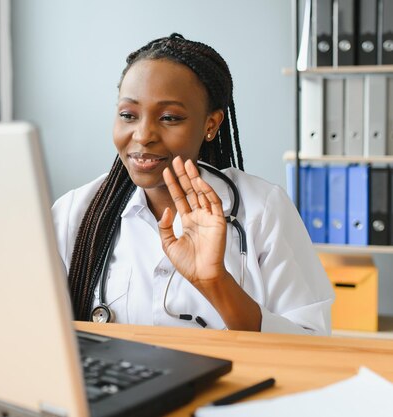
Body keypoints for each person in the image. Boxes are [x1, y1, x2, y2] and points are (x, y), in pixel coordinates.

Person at [52, 33, 334, 335]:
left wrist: (216, 283)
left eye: (170, 118)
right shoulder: (75, 212)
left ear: (210, 124)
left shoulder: (262, 209)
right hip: (115, 383)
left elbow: (310, 340)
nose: (143, 134)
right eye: (128, 115)